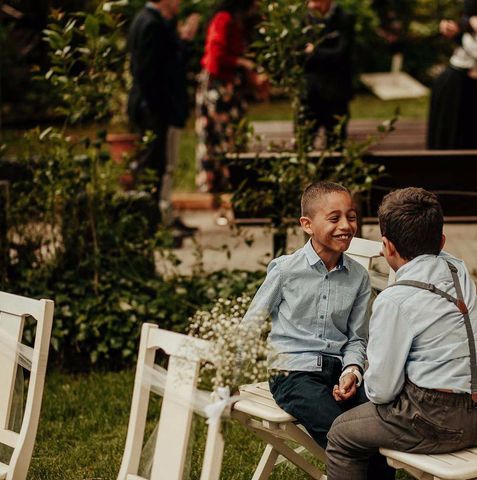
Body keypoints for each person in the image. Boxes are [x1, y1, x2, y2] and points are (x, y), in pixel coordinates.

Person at [326, 187, 477, 479]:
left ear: (386, 246)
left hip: (439, 422)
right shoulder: (457, 270)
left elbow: (381, 391)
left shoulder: (395, 300)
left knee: (341, 434)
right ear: (442, 241)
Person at [242, 181, 394, 478]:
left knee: (375, 428)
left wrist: (352, 371)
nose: (346, 226)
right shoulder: (286, 270)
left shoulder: (359, 278)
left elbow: (356, 338)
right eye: (334, 218)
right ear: (307, 225)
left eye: (351, 217)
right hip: (294, 375)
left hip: (339, 376)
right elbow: (252, 321)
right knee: (344, 436)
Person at [127, 0, 200, 233]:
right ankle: (152, 218)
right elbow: (150, 72)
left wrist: (184, 40)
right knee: (156, 164)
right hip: (155, 109)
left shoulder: (152, 21)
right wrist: (160, 108)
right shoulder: (152, 24)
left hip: (153, 106)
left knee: (158, 164)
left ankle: (157, 216)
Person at [195, 0, 264, 195]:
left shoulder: (239, 22)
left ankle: (233, 185)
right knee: (220, 139)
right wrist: (243, 63)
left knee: (234, 137)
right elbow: (216, 57)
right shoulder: (223, 20)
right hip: (218, 89)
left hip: (230, 88)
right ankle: (219, 187)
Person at [427, 0, 477, 149]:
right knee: (449, 132)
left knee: (469, 134)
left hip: (470, 84)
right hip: (455, 82)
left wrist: (461, 31)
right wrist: (465, 24)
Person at [299, 0, 355, 148]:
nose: (312, 5)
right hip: (310, 92)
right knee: (303, 141)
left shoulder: (344, 18)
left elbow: (341, 53)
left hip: (336, 92)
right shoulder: (304, 19)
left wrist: (314, 52)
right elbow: (298, 52)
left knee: (336, 142)